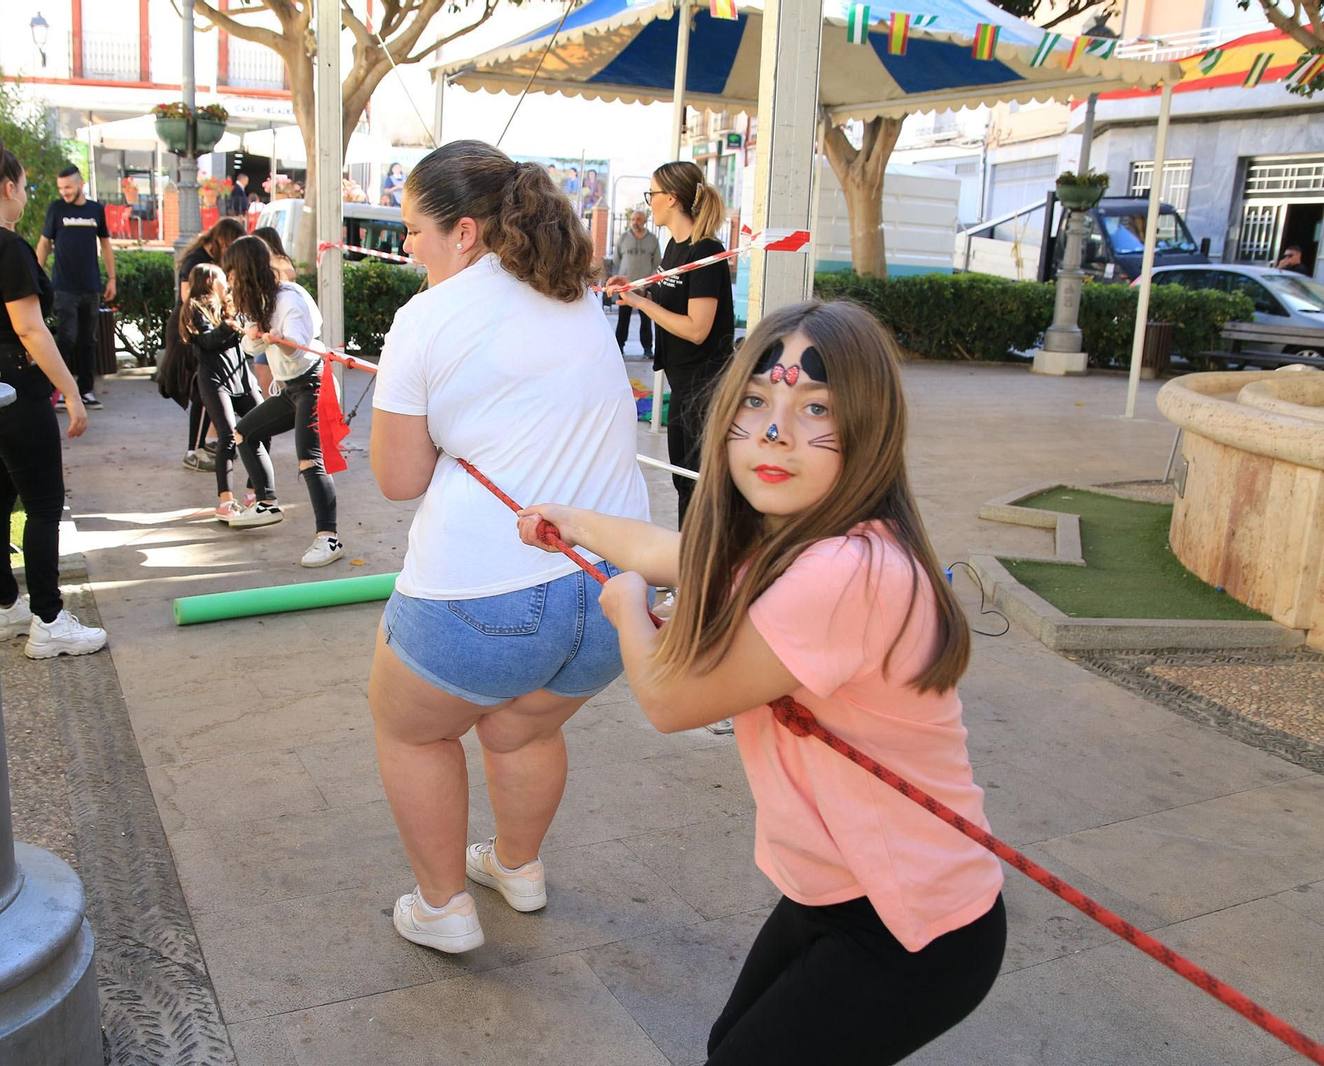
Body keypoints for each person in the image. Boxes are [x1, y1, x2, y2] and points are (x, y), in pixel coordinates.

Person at [517, 300, 1005, 1065]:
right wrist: (572, 522)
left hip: (909, 921)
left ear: (871, 430)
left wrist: (627, 609)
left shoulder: (847, 570)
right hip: (834, 893)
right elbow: (673, 550)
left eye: (816, 408)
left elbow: (671, 699)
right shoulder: (796, 540)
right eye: (755, 401)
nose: (775, 430)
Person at [368, 140, 650, 954]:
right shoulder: (575, 294)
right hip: (615, 587)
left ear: (463, 232)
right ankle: (517, 867)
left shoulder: (425, 319)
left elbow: (396, 477)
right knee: (523, 729)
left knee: (411, 728)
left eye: (413, 229)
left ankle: (443, 906)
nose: (406, 247)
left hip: (480, 595)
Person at [0, 132, 108, 660]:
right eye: (25, 188)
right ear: (7, 186)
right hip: (15, 381)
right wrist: (71, 390)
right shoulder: (6, 246)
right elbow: (31, 329)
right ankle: (49, 620)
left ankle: (5, 603)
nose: (27, 197)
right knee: (43, 503)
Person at [609, 161, 734, 527]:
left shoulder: (706, 252)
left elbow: (697, 328)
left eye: (653, 194)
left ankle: (698, 559)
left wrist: (642, 304)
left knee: (700, 485)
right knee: (684, 481)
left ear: (673, 198)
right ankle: (686, 556)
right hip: (682, 384)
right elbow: (670, 299)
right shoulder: (674, 248)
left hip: (706, 387)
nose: (649, 202)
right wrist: (638, 291)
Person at [222, 236, 343, 563]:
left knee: (309, 459)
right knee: (244, 433)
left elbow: (297, 348)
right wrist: (256, 337)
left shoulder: (289, 297)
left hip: (313, 383)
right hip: (290, 388)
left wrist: (278, 340)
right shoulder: (257, 299)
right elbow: (251, 346)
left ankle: (329, 539)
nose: (229, 280)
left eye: (232, 272)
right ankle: (266, 503)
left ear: (245, 270)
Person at [179, 262, 262, 522]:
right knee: (227, 436)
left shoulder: (231, 305)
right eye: (221, 277)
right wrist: (228, 326)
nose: (226, 281)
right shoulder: (195, 308)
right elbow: (207, 341)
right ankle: (225, 501)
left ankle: (254, 493)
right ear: (208, 281)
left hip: (242, 378)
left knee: (263, 426)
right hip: (214, 380)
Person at [164, 217, 248, 471]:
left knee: (204, 393)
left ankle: (201, 444)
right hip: (191, 334)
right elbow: (188, 296)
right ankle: (195, 449)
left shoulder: (212, 263)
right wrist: (220, 322)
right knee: (201, 391)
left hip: (205, 327)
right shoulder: (196, 264)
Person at [36, 164, 115, 410]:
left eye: (68, 187)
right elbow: (44, 243)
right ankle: (56, 389)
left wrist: (112, 278)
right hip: (64, 286)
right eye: (61, 188)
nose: (64, 192)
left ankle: (86, 391)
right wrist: (35, 275)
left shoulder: (96, 209)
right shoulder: (56, 208)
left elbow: (105, 244)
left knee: (88, 340)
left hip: (90, 286)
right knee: (67, 337)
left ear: (81, 184)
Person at [613, 209, 660, 358]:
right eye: (633, 219)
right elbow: (616, 259)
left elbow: (657, 262)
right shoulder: (623, 238)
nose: (635, 222)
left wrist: (648, 277)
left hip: (645, 287)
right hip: (626, 287)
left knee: (646, 319)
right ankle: (619, 347)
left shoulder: (652, 239)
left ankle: (647, 348)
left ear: (645, 221)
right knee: (623, 319)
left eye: (638, 219)